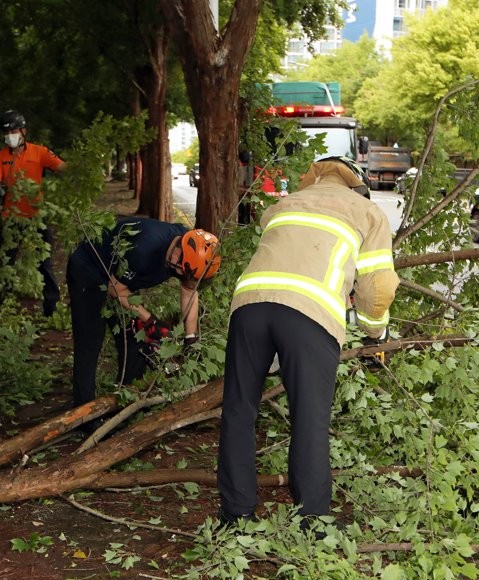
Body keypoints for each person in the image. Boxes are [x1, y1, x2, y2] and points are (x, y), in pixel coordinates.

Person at [217, 156, 399, 524]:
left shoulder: (282, 204)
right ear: (356, 184)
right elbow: (378, 287)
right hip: (309, 313)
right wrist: (375, 331)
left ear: (312, 180)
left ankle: (235, 515)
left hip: (249, 305)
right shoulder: (366, 211)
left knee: (238, 411)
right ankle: (313, 521)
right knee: (309, 420)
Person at [67, 217, 221, 407]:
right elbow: (116, 289)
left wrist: (191, 338)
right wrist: (150, 320)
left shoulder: (189, 250)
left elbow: (189, 290)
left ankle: (125, 401)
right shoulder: (143, 250)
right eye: (184, 272)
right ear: (178, 254)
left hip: (121, 279)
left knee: (135, 338)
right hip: (90, 271)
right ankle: (84, 411)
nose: (182, 276)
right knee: (90, 341)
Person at [0, 109, 67, 316]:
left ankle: (52, 307)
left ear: (23, 131)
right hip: (11, 217)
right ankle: (0, 305)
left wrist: (82, 167)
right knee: (6, 262)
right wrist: (0, 190)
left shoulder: (40, 152)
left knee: (45, 263)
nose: (10, 136)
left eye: (13, 131)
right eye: (6, 133)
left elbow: (61, 167)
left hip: (36, 217)